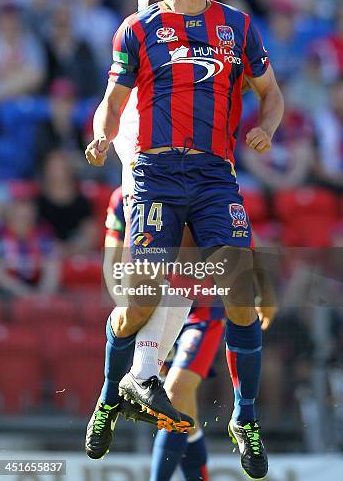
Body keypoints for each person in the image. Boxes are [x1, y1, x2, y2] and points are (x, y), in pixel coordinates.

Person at [85, 0, 283, 479]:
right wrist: (103, 134)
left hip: (215, 173)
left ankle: (245, 416)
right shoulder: (137, 29)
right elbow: (112, 100)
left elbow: (271, 93)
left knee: (240, 290)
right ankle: (108, 396)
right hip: (153, 173)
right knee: (139, 303)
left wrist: (267, 127)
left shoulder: (238, 26)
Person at [103, 186, 277, 481]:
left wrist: (265, 290)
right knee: (184, 413)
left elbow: (246, 241)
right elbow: (113, 259)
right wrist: (126, 302)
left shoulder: (200, 178)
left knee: (176, 391)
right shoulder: (125, 195)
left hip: (203, 309)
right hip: (159, 309)